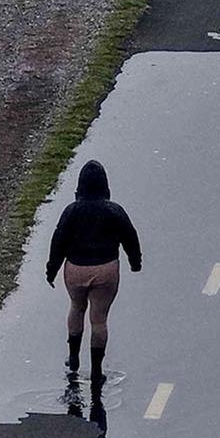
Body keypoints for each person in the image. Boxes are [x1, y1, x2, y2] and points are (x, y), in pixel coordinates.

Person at [45, 159, 141, 386]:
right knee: (99, 320)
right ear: (105, 187)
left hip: (76, 269)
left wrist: (52, 270)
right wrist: (135, 262)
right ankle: (97, 370)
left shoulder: (72, 211)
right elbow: (130, 237)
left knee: (76, 308)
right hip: (106, 269)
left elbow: (58, 241)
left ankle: (74, 357)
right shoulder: (114, 210)